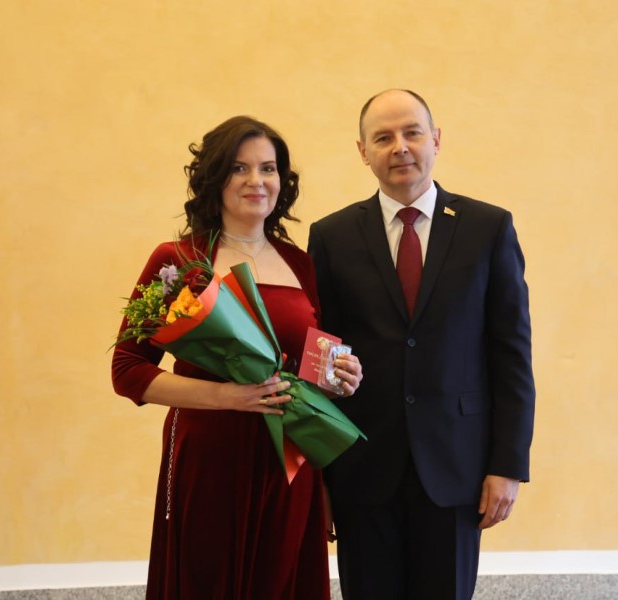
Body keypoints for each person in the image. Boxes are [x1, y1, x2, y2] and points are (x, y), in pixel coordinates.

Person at [112, 115, 363, 599]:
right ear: (215, 178)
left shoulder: (300, 263)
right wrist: (229, 396)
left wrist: (340, 376)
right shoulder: (177, 261)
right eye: (239, 168)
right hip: (210, 458)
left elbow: (309, 366)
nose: (256, 181)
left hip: (290, 461)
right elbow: (127, 371)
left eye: (268, 169)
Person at [307, 89, 535, 599]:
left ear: (435, 139)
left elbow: (511, 355)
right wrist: (318, 472)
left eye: (412, 133)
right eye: (382, 138)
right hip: (361, 469)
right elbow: (320, 359)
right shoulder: (332, 236)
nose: (400, 147)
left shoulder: (488, 228)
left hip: (458, 467)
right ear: (363, 151)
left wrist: (507, 465)